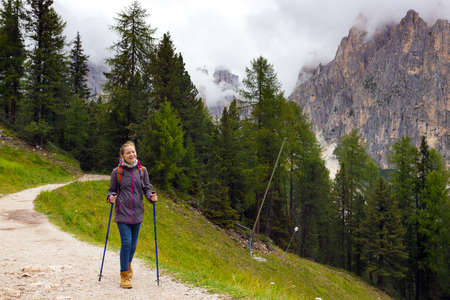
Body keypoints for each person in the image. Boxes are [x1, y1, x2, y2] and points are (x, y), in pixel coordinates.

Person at [107, 141, 157, 289]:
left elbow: (147, 188)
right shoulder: (117, 172)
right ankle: (124, 276)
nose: (131, 155)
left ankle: (128, 263)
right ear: (122, 155)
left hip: (138, 214)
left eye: (133, 152)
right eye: (128, 153)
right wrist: (111, 198)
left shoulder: (142, 171)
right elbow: (112, 191)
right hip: (122, 214)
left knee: (133, 246)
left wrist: (151, 196)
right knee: (127, 243)